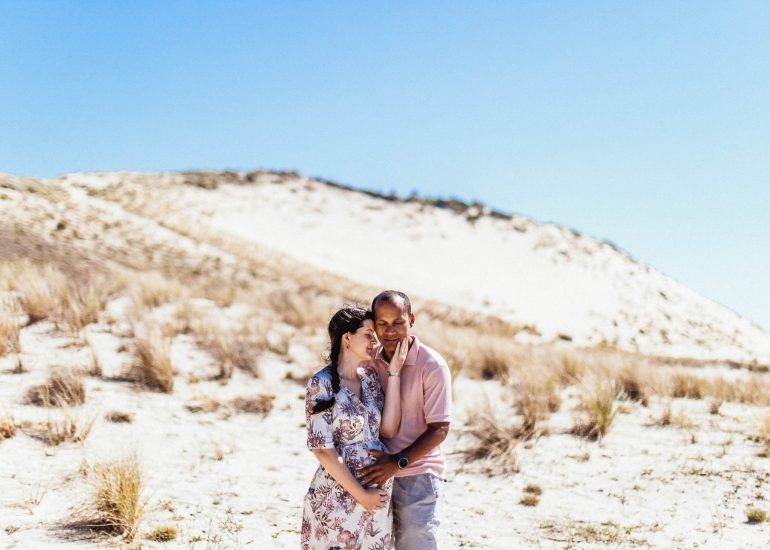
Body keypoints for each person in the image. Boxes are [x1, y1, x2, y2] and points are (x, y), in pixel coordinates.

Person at [302, 306, 407, 550]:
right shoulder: (322, 383)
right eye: (368, 334)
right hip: (338, 498)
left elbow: (388, 430)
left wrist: (393, 375)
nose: (375, 340)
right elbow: (322, 450)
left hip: (376, 499)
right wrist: (361, 495)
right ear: (347, 338)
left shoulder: (369, 379)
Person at [358, 291, 452, 550]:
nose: (390, 331)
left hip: (418, 476)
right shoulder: (368, 361)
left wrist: (397, 463)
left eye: (398, 323)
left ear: (411, 319)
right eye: (382, 324)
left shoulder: (432, 365)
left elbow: (440, 429)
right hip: (374, 475)